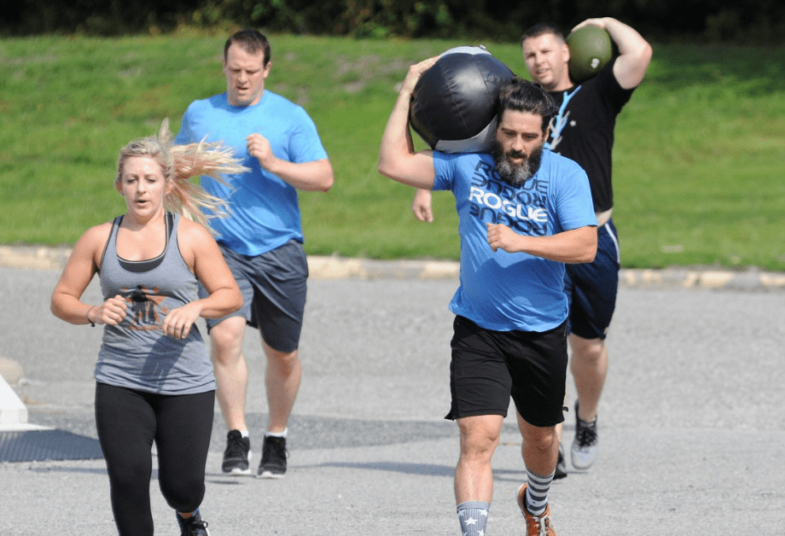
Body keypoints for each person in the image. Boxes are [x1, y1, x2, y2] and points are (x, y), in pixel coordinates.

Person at [411, 17, 652, 478]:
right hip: (529, 234)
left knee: (590, 345)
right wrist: (424, 186)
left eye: (547, 51)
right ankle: (549, 440)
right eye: (530, 54)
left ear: (567, 52)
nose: (539, 61)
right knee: (548, 339)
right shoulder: (515, 106)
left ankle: (587, 419)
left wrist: (601, 23)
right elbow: (456, 143)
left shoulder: (597, 92)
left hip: (590, 234)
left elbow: (639, 53)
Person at [379, 57, 597, 536]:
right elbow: (392, 162)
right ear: (496, 126)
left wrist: (524, 242)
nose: (517, 147)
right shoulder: (468, 165)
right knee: (479, 438)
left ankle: (535, 505)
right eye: (510, 134)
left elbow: (585, 245)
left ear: (547, 133)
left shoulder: (565, 177)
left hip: (541, 331)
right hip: (479, 329)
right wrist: (409, 86)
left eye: (529, 137)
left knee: (540, 441)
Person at [50, 120, 244, 536]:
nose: (141, 189)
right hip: (121, 379)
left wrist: (197, 307)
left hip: (185, 382)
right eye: (132, 179)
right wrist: (93, 312)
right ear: (118, 185)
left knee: (182, 486)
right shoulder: (99, 238)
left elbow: (230, 295)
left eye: (150, 180)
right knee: (128, 478)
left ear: (167, 185)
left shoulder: (190, 237)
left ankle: (189, 516)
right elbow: (61, 299)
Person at [175, 28, 335, 478]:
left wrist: (273, 164)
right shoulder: (200, 112)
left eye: (251, 71)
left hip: (279, 248)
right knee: (225, 336)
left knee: (281, 352)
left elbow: (323, 177)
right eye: (234, 70)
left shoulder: (290, 117)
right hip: (222, 249)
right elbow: (176, 168)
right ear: (223, 66)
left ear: (267, 70)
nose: (242, 79)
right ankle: (236, 436)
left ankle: (276, 437)